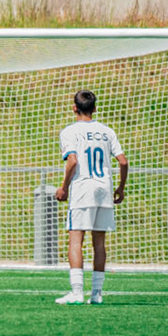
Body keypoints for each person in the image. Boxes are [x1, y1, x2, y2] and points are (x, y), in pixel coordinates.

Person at [54, 89, 127, 305]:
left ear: (74, 108)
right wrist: (120, 188)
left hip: (83, 189)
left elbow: (73, 161)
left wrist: (64, 187)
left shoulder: (69, 132)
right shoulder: (107, 131)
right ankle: (97, 294)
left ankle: (77, 292)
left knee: (76, 239)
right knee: (99, 243)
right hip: (104, 188)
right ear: (94, 108)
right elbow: (123, 161)